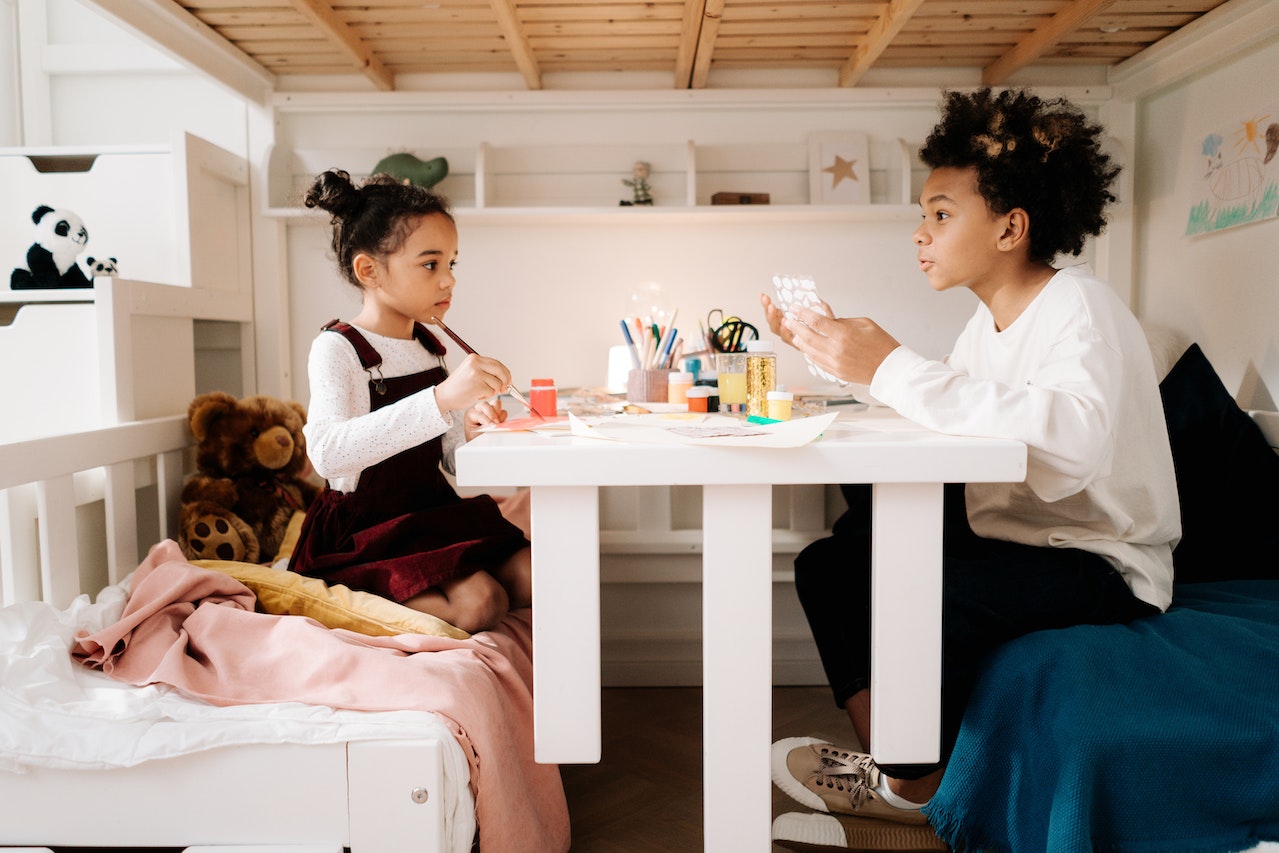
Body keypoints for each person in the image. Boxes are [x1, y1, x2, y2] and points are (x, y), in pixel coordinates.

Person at [760, 88, 1180, 851]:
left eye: (941, 215)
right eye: (923, 216)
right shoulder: (985, 323)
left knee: (925, 588)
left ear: (1010, 228)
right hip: (1020, 537)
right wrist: (842, 359)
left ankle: (907, 795)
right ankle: (906, 777)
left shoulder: (1077, 309)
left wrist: (888, 364)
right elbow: (948, 411)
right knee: (831, 563)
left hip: (1099, 560)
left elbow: (1068, 440)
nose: (920, 235)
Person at [287, 168, 532, 634]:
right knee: (481, 602)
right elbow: (327, 453)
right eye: (430, 265)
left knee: (536, 571)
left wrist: (471, 431)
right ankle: (334, 600)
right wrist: (441, 399)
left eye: (452, 265)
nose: (448, 282)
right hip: (364, 530)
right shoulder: (339, 348)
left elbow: (448, 460)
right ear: (369, 271)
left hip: (427, 513)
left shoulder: (429, 346)